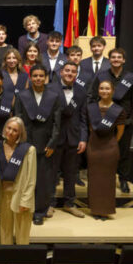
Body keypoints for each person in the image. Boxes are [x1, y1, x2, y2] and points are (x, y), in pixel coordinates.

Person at [14, 64, 62, 225]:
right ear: (30, 77)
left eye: (41, 76)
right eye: (35, 76)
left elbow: (57, 123)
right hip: (26, 143)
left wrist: (52, 143)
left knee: (43, 180)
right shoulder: (22, 95)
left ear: (46, 77)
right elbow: (17, 119)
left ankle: (40, 212)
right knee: (26, 178)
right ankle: (25, 207)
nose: (38, 79)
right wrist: (20, 143)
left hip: (46, 144)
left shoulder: (54, 96)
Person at [91, 48, 133, 193]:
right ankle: (105, 179)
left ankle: (123, 180)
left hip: (124, 122)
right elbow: (93, 97)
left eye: (119, 57)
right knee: (104, 152)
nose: (116, 60)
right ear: (109, 59)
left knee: (123, 152)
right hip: (104, 120)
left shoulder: (131, 78)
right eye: (113, 57)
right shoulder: (102, 76)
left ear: (123, 60)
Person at [50, 61, 88, 218]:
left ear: (76, 74)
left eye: (73, 71)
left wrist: (83, 138)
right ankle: (49, 203)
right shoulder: (51, 89)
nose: (70, 73)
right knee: (52, 173)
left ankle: (69, 203)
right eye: (67, 70)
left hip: (74, 138)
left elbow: (83, 117)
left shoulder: (81, 91)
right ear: (61, 72)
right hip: (55, 138)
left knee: (71, 173)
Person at [85, 80, 125, 220]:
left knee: (107, 180)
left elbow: (120, 132)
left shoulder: (118, 110)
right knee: (94, 179)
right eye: (101, 88)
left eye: (107, 88)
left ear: (112, 91)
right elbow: (90, 128)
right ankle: (95, 209)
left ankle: (105, 210)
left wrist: (111, 143)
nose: (104, 91)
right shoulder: (91, 108)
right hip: (93, 147)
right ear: (98, 91)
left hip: (109, 148)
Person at [0, 117, 36, 244]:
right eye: (9, 128)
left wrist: (26, 200)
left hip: (21, 196)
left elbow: (31, 178)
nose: (10, 132)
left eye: (15, 130)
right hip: (3, 196)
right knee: (4, 234)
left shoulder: (28, 150)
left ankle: (22, 257)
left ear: (20, 133)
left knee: (22, 236)